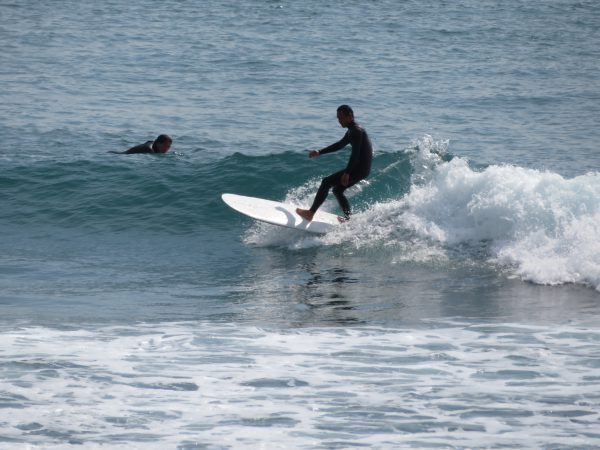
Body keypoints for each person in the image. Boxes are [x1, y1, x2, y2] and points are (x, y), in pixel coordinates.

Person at [296, 105, 373, 222]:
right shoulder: (353, 130)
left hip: (359, 168)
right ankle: (349, 219)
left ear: (350, 116)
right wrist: (320, 152)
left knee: (326, 182)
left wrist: (347, 173)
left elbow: (355, 154)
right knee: (337, 190)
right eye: (338, 118)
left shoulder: (356, 131)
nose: (339, 121)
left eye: (341, 118)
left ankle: (310, 213)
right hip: (363, 170)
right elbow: (339, 145)